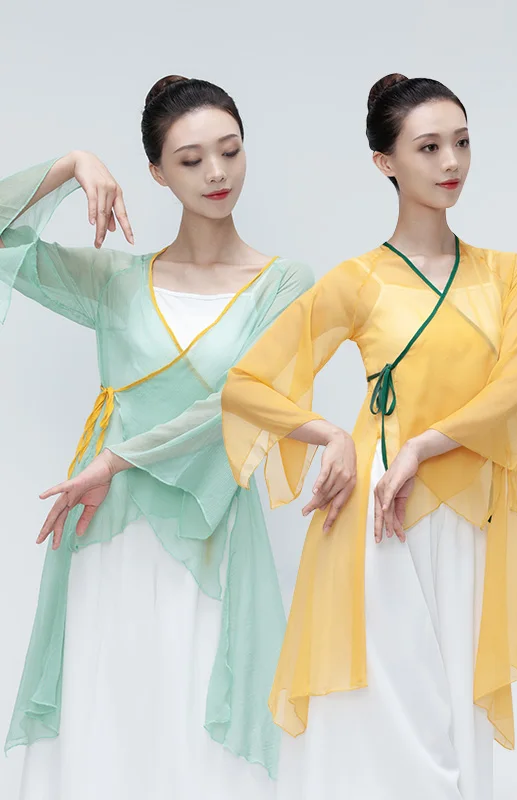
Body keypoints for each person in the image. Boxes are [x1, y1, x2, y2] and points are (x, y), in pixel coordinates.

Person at [221, 73, 517, 800]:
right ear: (384, 162)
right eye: (428, 147)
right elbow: (246, 384)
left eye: (461, 142)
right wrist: (330, 435)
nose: (451, 162)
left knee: (455, 704)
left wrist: (425, 445)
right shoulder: (357, 280)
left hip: (466, 512)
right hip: (379, 513)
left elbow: (515, 390)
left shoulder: (507, 275)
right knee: (391, 715)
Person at [0, 75, 313, 800]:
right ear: (156, 172)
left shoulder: (284, 283)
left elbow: (244, 399)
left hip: (210, 533)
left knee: (194, 731)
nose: (216, 173)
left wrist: (117, 456)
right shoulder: (114, 281)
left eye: (230, 151)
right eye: (191, 159)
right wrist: (72, 164)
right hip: (106, 530)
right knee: (109, 717)